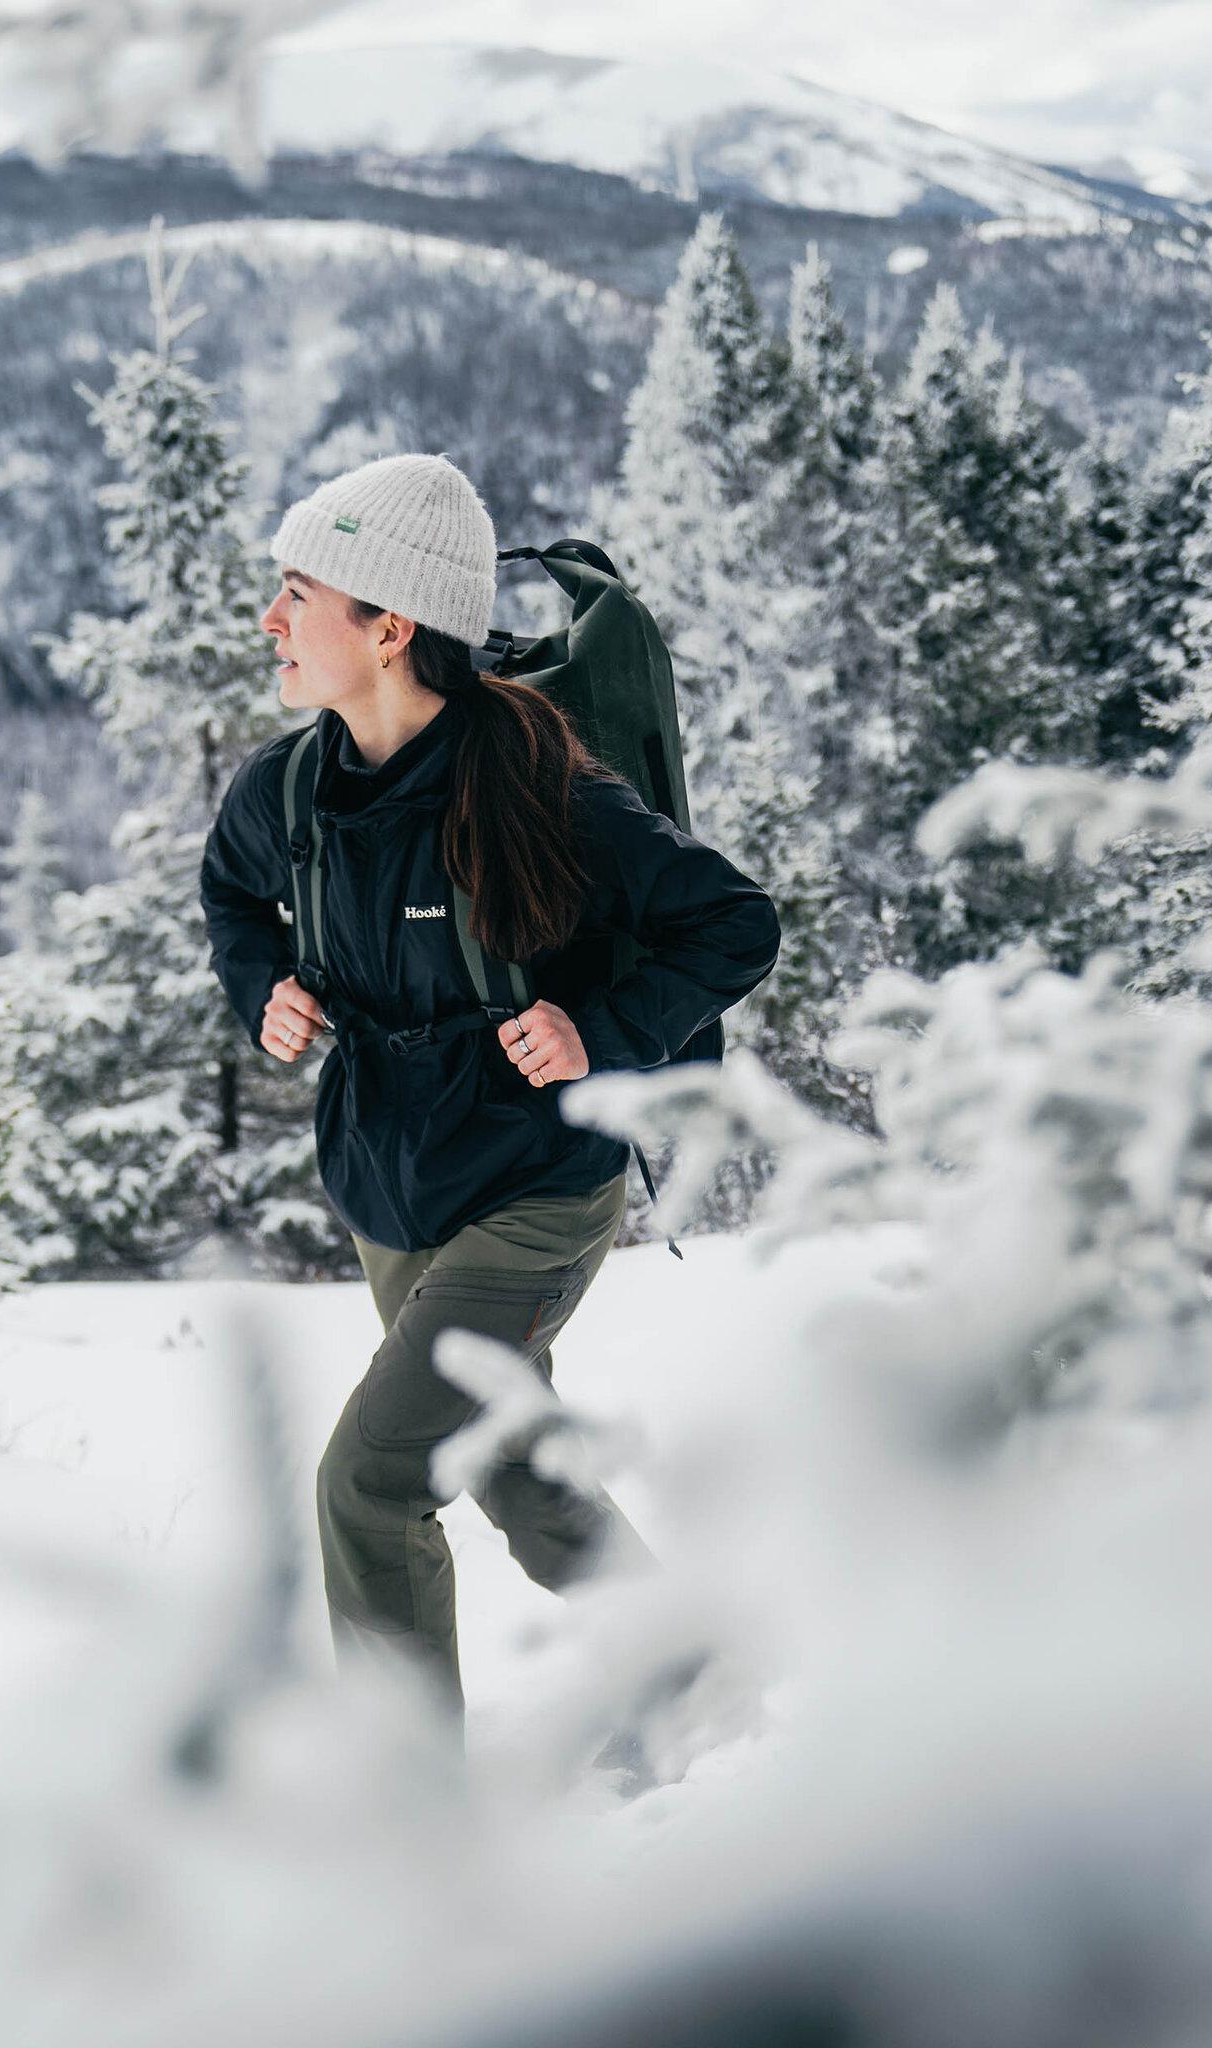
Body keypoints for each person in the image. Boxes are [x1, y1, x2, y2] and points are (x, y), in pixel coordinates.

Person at [197, 450, 780, 1736]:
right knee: (511, 1459)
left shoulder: (538, 786)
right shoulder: (286, 788)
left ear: (389, 627)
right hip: (389, 1180)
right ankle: (691, 1677)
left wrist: (598, 1030)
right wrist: (263, 986)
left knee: (369, 1483)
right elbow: (231, 895)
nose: (269, 619)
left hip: (533, 1188)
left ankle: (409, 1808)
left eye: (298, 593)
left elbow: (735, 922)